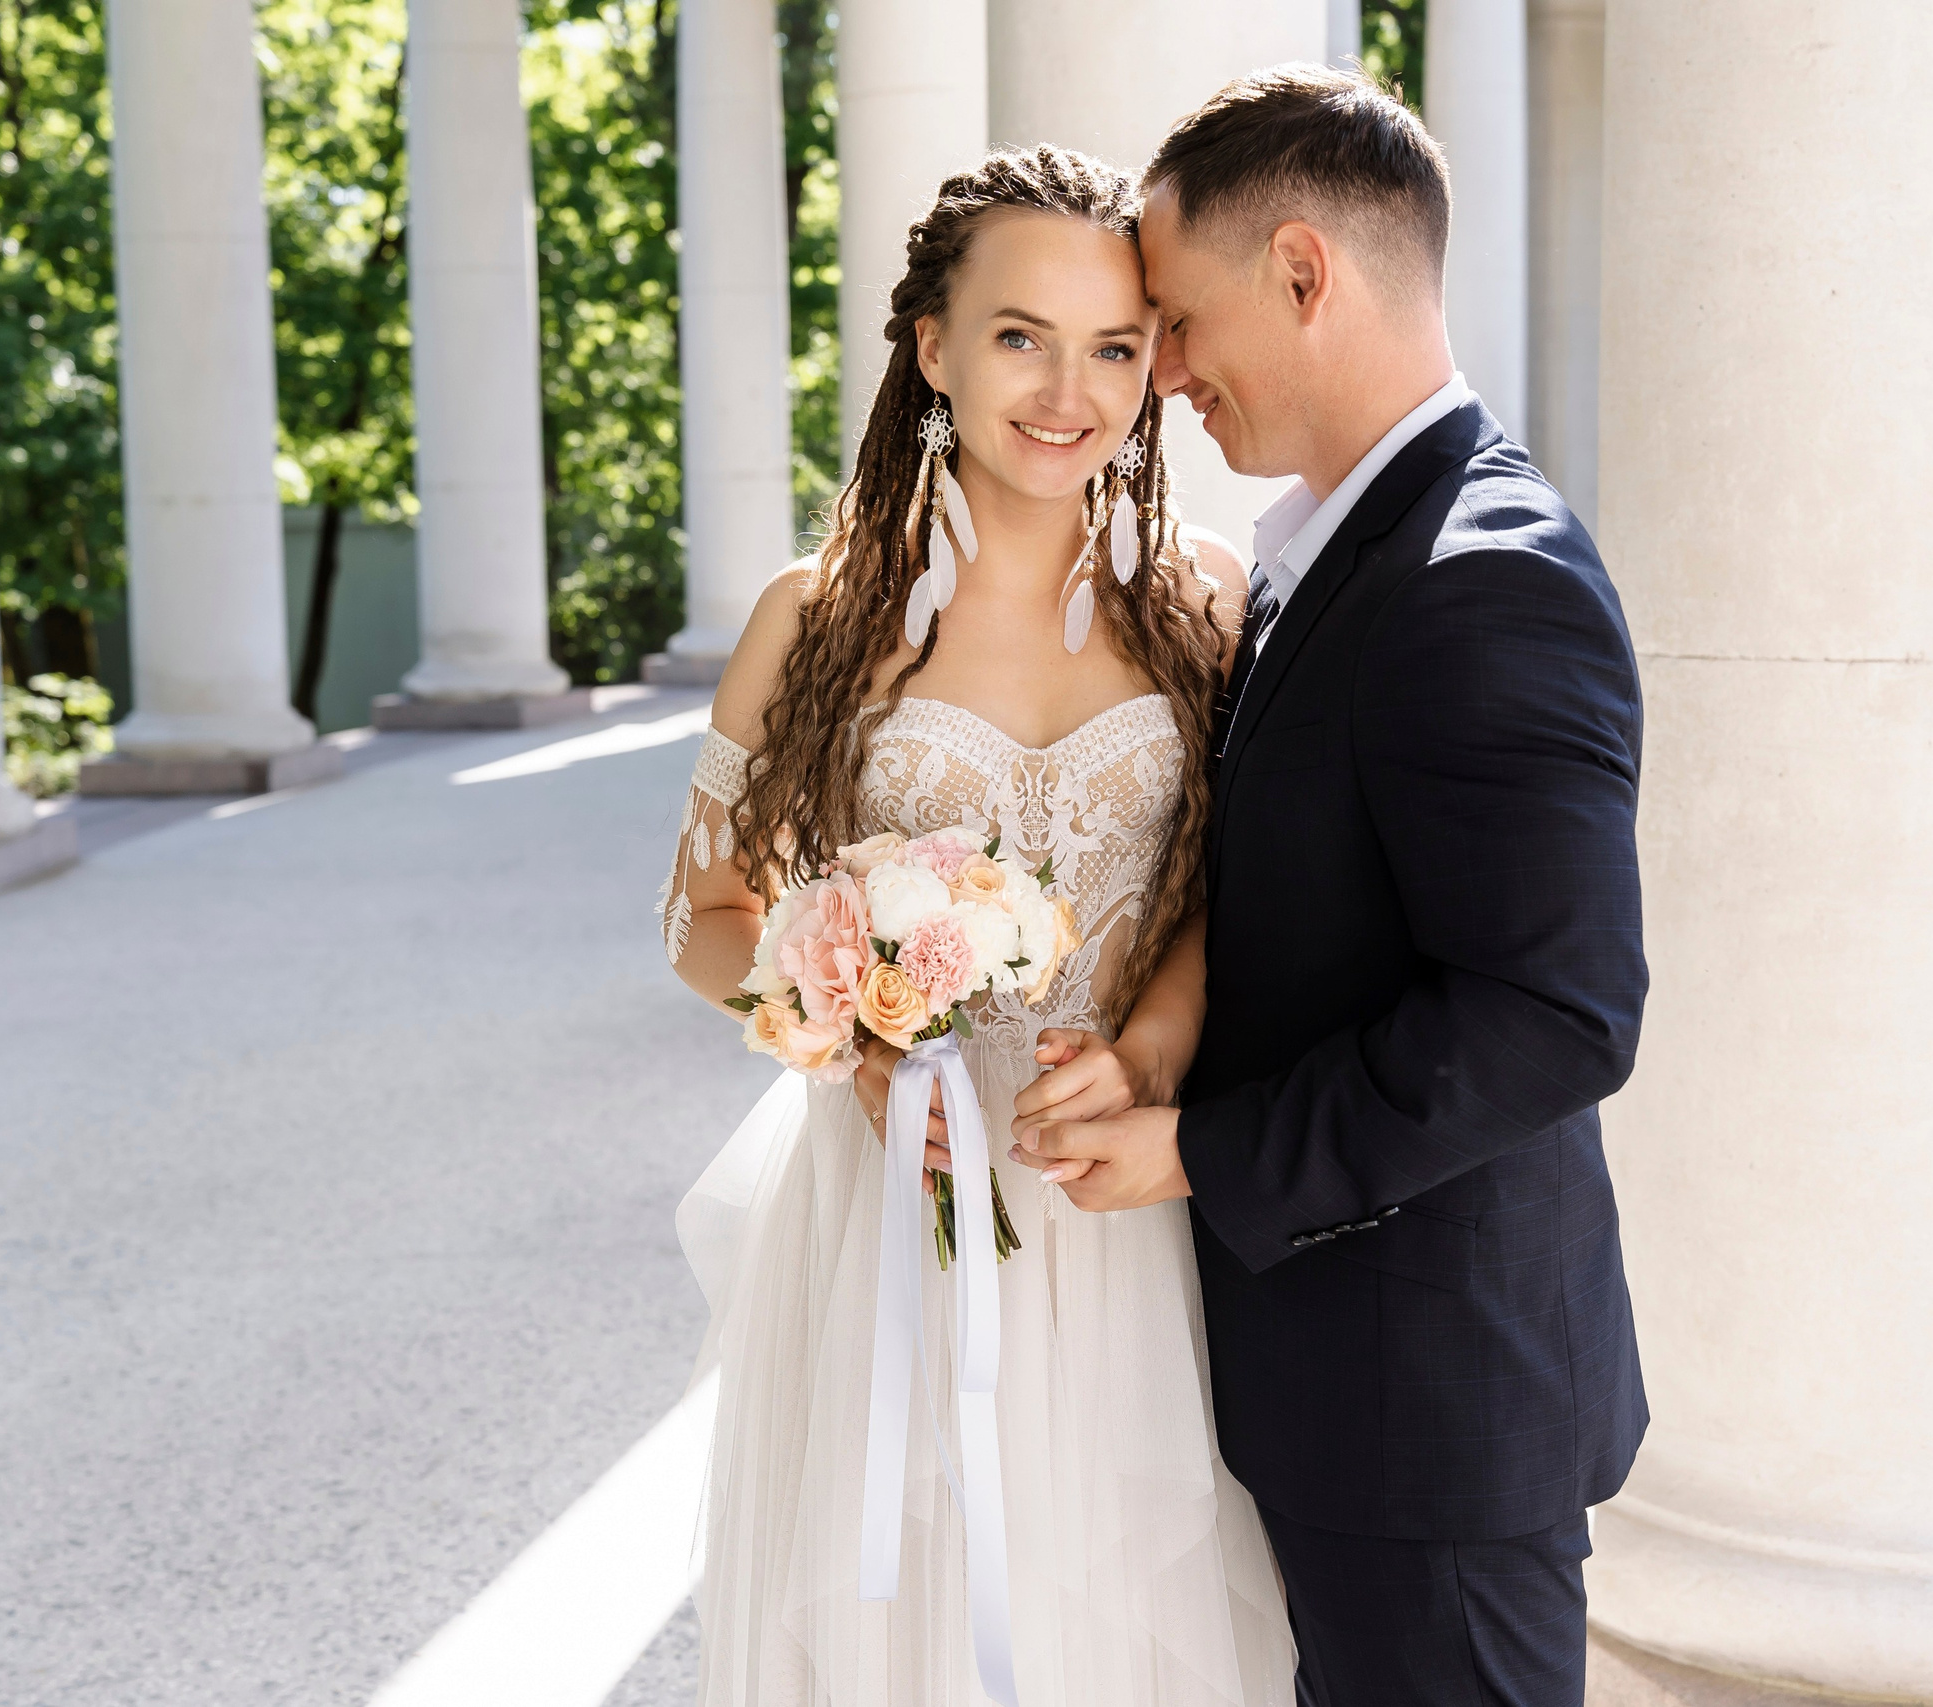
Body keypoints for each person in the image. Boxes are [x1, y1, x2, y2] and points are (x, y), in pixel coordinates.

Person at [1012, 65, 1649, 1706]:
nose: (1157, 374)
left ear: (1303, 271)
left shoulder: (1481, 578)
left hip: (1433, 1412)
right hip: (1352, 1395)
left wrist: (1200, 1154)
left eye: (1171, 316)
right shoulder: (1337, 549)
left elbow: (1552, 1017)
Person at [660, 147, 1294, 1706]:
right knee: (909, 1619)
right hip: (896, 1197)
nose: (1068, 390)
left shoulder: (1202, 598)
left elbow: (1230, 893)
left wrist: (1148, 1045)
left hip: (1123, 1187)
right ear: (934, 348)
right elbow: (705, 916)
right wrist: (846, 1033)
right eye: (1021, 336)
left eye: (1116, 347)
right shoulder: (819, 614)